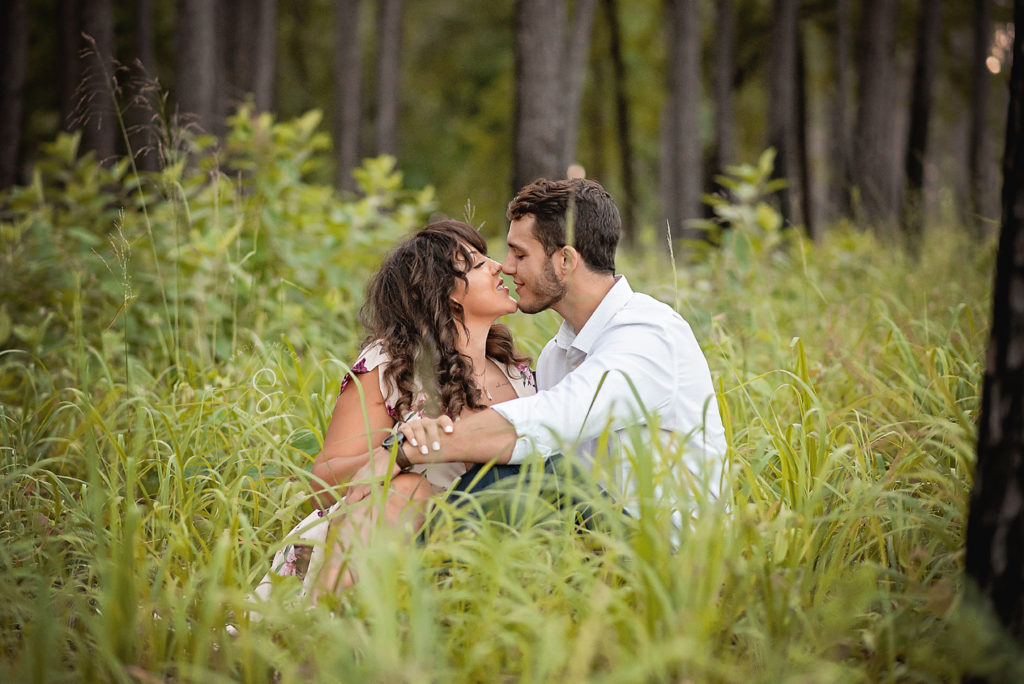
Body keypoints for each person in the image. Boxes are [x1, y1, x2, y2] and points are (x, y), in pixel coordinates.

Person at [389, 178, 728, 517]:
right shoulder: (556, 355)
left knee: (509, 475)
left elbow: (552, 420)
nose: (506, 267)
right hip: (591, 538)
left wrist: (407, 452)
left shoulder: (650, 333)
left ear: (565, 260)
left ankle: (430, 561)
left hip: (667, 549)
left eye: (520, 254)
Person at [253, 219, 537, 604]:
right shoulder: (393, 366)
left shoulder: (519, 375)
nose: (498, 266)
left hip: (486, 536)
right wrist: (399, 451)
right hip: (380, 531)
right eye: (475, 263)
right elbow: (321, 482)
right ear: (445, 294)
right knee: (408, 488)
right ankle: (320, 619)